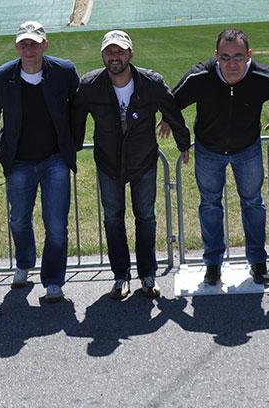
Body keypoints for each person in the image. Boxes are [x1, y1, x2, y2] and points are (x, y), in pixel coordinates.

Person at [72, 30, 191, 300]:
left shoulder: (151, 82)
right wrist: (70, 151)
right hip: (108, 163)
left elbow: (173, 112)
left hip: (144, 162)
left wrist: (184, 144)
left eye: (120, 51)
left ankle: (147, 276)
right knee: (113, 220)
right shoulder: (90, 85)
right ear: (103, 54)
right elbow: (76, 120)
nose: (115, 57)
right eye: (109, 52)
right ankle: (120, 276)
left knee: (145, 218)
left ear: (130, 54)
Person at [171, 28, 269, 286]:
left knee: (253, 203)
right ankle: (212, 263)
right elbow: (170, 103)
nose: (231, 64)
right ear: (216, 56)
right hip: (208, 151)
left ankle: (257, 262)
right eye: (225, 57)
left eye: (237, 56)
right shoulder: (199, 76)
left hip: (247, 150)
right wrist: (176, 129)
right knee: (210, 205)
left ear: (249, 55)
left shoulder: (263, 77)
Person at [0, 21, 79, 304]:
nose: (29, 49)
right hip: (19, 162)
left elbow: (79, 109)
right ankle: (24, 263)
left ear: (45, 45)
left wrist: (71, 144)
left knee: (57, 225)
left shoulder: (64, 71)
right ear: (17, 46)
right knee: (19, 220)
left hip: (55, 161)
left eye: (34, 43)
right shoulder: (1, 77)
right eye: (24, 44)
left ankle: (53, 282)